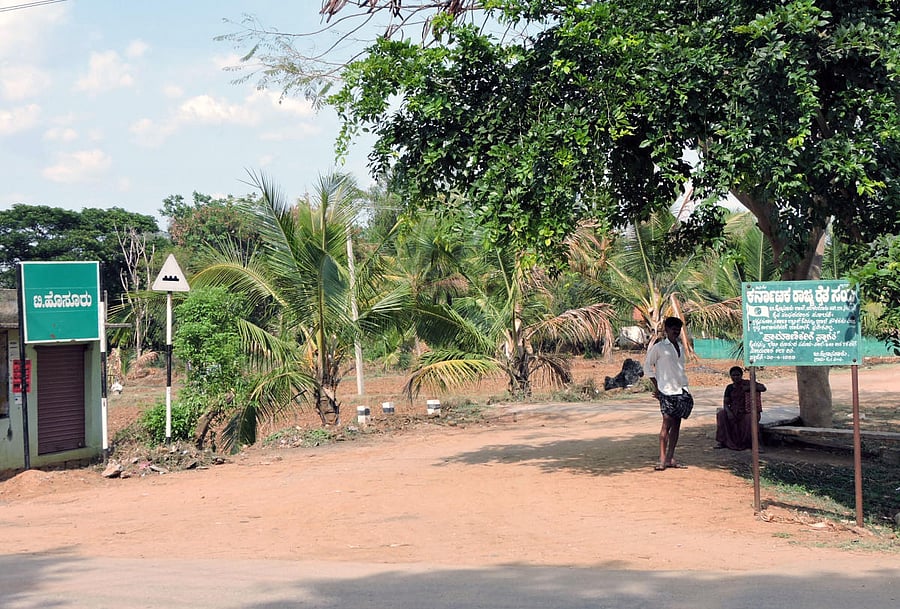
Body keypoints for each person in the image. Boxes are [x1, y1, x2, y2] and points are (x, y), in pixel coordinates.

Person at [644, 316, 693, 470]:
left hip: (681, 390)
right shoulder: (659, 347)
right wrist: (657, 387)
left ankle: (671, 458)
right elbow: (647, 367)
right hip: (666, 391)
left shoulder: (679, 346)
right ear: (666, 330)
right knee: (666, 424)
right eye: (673, 329)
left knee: (677, 425)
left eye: (678, 330)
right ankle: (662, 459)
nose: (676, 332)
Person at [715, 366, 767, 450]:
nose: (735, 377)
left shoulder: (747, 383)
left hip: (747, 411)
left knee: (750, 418)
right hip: (734, 411)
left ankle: (754, 444)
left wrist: (749, 388)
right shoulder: (729, 387)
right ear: (730, 376)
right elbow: (725, 402)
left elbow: (763, 388)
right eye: (733, 375)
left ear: (741, 375)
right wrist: (729, 412)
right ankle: (723, 441)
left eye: (737, 375)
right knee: (721, 414)